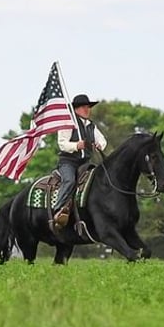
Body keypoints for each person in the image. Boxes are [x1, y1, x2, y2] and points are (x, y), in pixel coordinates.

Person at [50, 93, 108, 229]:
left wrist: (100, 145)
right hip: (68, 162)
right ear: (75, 109)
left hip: (85, 162)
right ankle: (57, 210)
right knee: (69, 180)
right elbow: (62, 143)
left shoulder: (91, 125)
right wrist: (77, 145)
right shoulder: (68, 123)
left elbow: (102, 140)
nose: (87, 109)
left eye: (88, 107)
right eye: (83, 107)